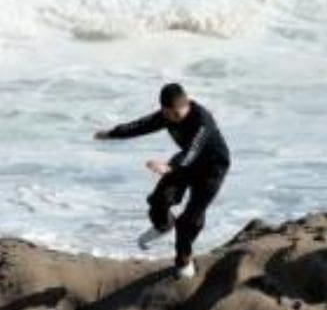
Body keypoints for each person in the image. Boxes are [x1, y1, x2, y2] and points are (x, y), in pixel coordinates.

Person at [95, 83, 231, 279]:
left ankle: (184, 260)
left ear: (187, 104)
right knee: (159, 201)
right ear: (164, 110)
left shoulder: (202, 119)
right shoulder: (165, 116)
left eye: (178, 114)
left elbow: (195, 148)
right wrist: (111, 134)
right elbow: (141, 125)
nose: (175, 119)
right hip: (185, 162)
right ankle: (164, 225)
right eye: (170, 115)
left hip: (212, 168)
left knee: (189, 220)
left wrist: (170, 168)